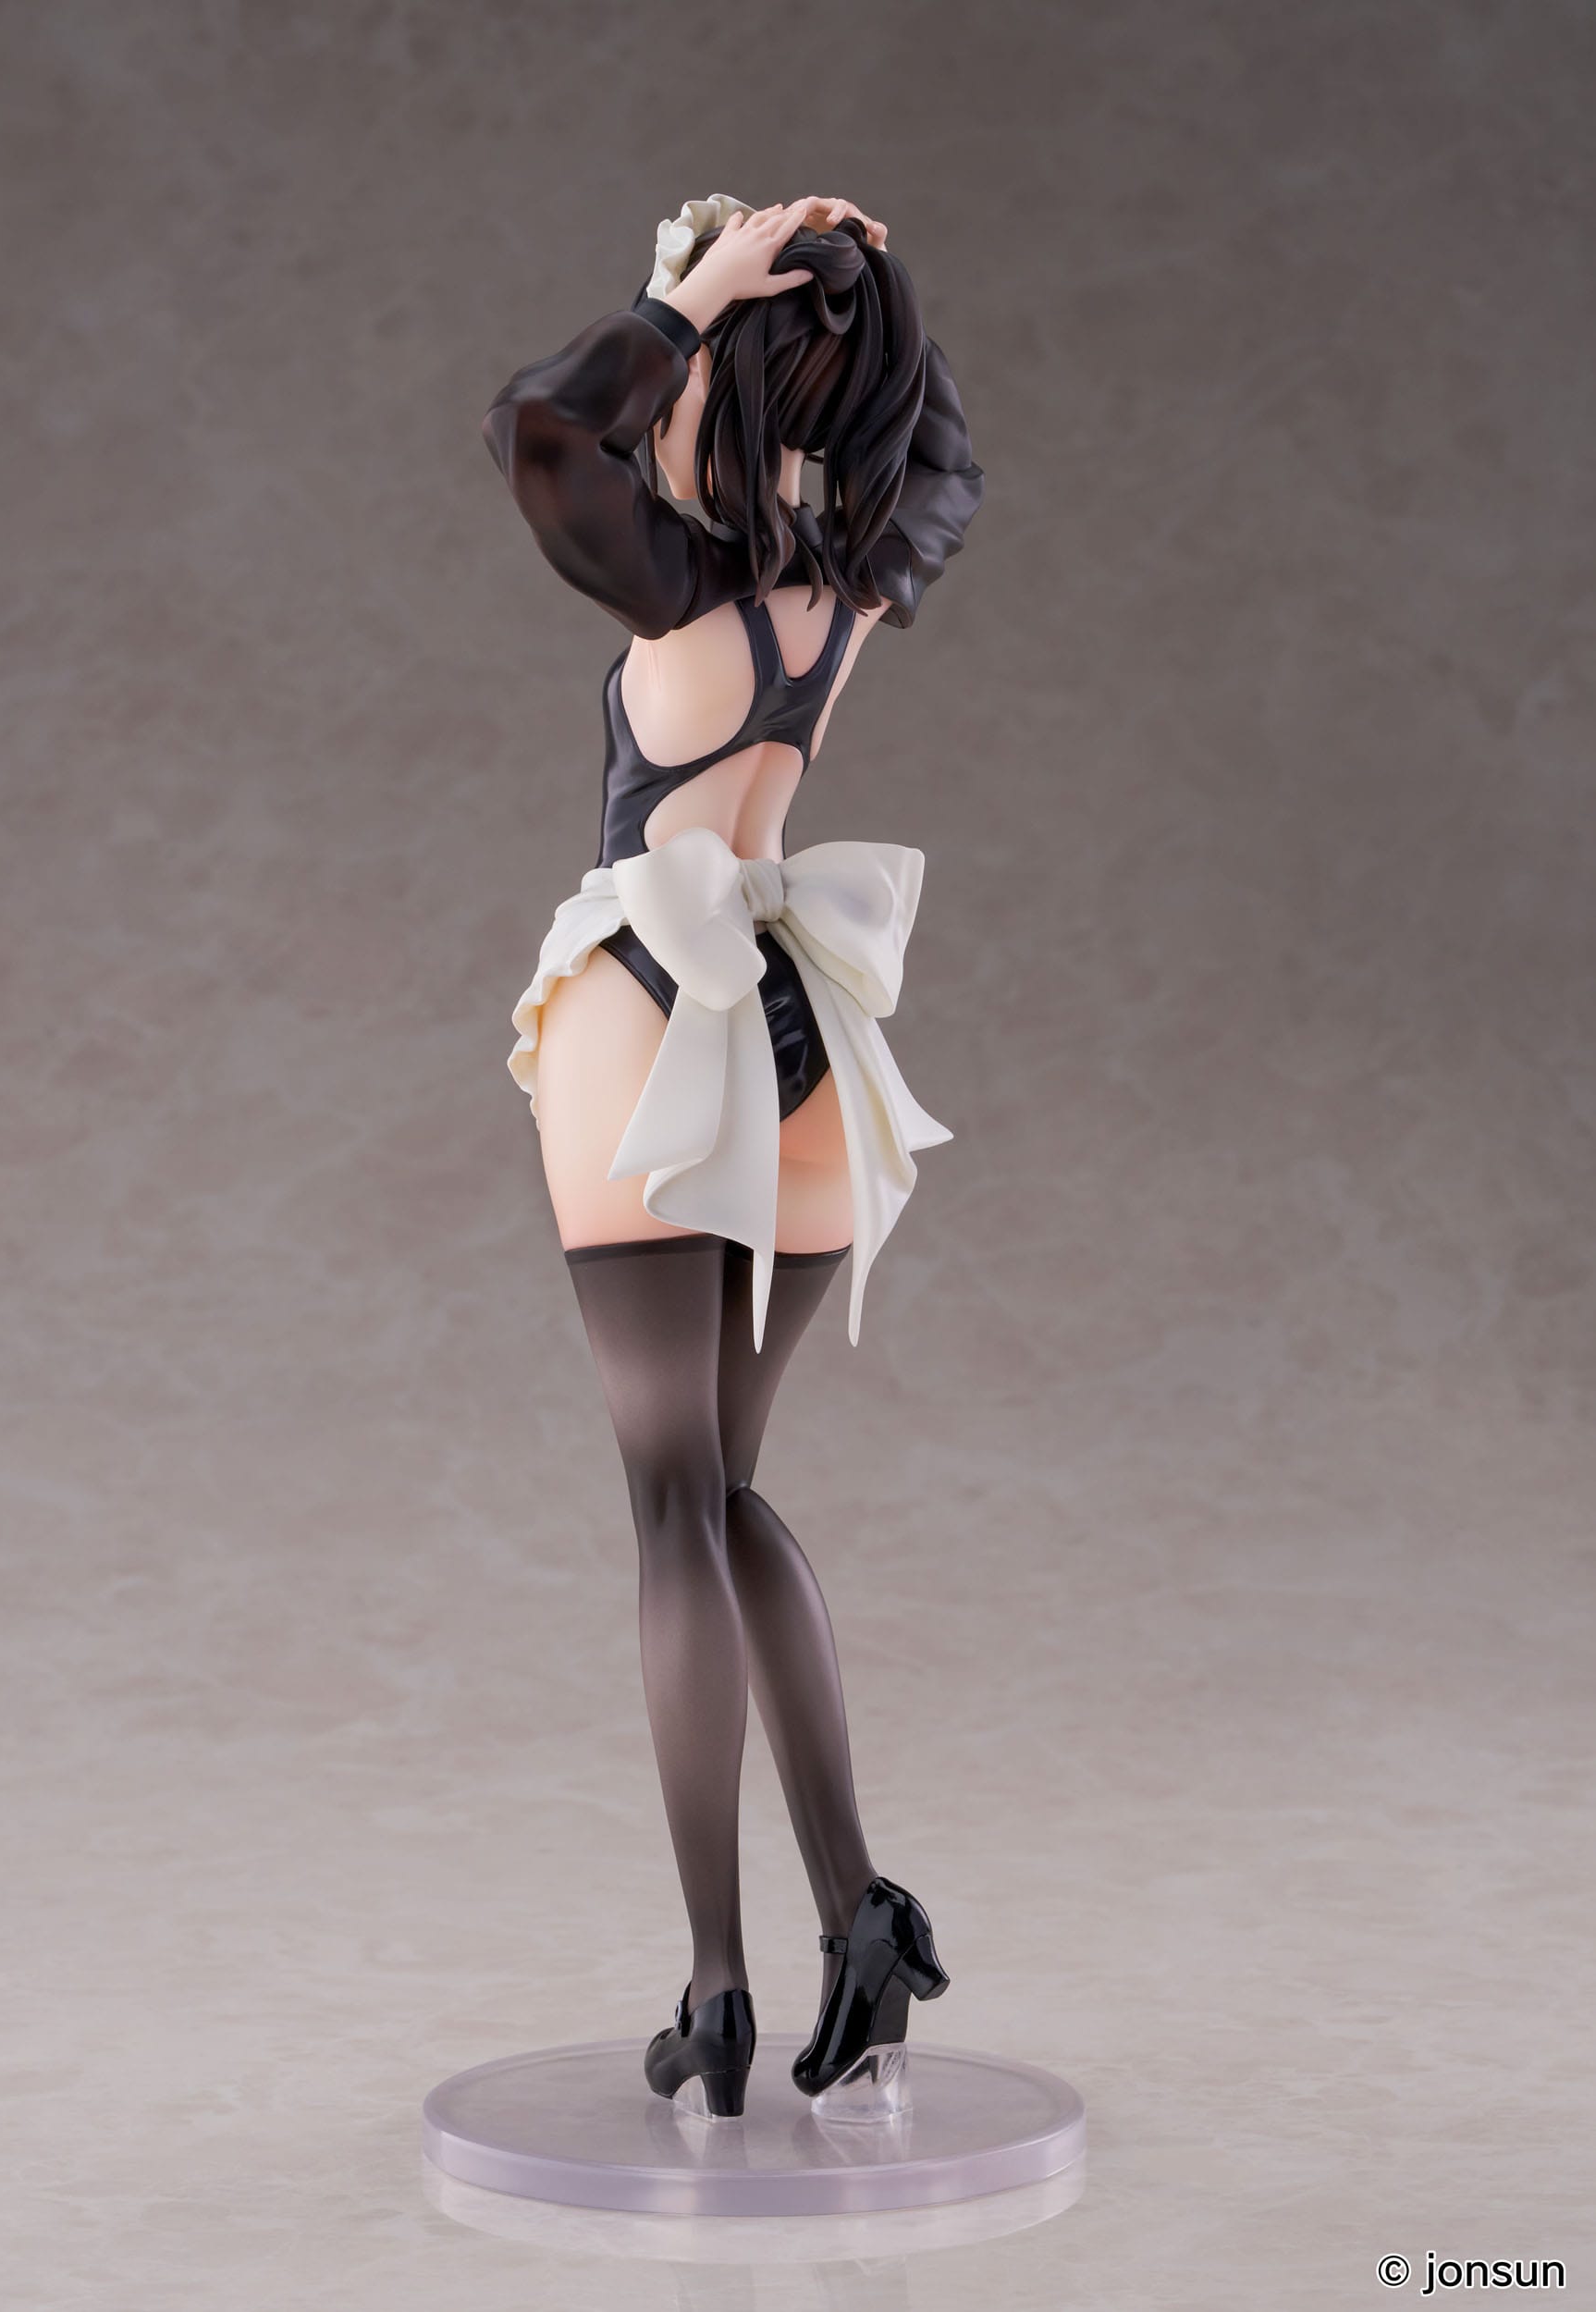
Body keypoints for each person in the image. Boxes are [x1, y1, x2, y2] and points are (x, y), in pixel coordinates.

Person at [482, 194, 983, 2118]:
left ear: (715, 379)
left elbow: (541, 428)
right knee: (729, 1492)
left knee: (672, 1509)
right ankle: (862, 1907)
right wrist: (866, 290)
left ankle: (716, 1984)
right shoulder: (851, 592)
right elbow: (943, 460)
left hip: (650, 1017)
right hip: (798, 1043)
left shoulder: (680, 592)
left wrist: (678, 299)